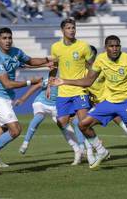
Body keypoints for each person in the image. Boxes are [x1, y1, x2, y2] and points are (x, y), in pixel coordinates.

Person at [51, 35, 127, 172]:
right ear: (106, 48)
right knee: (83, 124)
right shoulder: (100, 59)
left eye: (117, 46)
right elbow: (88, 81)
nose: (115, 48)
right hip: (110, 102)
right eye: (111, 46)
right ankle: (101, 151)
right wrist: (64, 81)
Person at [0, 27, 54, 174]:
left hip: (6, 98)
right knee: (14, 130)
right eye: (4, 38)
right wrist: (29, 83)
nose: (7, 41)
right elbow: (7, 83)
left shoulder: (16, 52)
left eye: (9, 38)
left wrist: (47, 60)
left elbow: (30, 61)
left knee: (5, 131)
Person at [48, 18, 107, 168]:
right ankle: (83, 148)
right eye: (68, 28)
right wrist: (50, 84)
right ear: (62, 30)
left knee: (83, 123)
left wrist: (91, 82)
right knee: (61, 121)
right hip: (63, 90)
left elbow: (92, 66)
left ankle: (95, 151)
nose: (72, 30)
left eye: (73, 27)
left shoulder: (83, 47)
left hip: (79, 89)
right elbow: (54, 67)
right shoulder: (55, 47)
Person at [15, 78, 94, 165]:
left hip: (56, 106)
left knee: (67, 126)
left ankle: (78, 150)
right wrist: (23, 99)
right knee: (38, 117)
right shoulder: (53, 80)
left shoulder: (70, 83)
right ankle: (25, 143)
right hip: (42, 103)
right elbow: (37, 86)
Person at [87, 45, 127, 155]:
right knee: (83, 123)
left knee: (122, 123)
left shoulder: (102, 67)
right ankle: (94, 147)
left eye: (90, 54)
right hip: (98, 101)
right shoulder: (87, 70)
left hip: (109, 100)